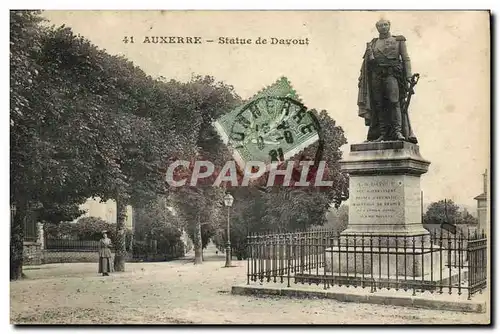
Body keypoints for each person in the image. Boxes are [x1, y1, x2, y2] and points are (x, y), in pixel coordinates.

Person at [357, 19, 418, 143]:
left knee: (394, 102)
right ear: (377, 28)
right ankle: (383, 134)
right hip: (376, 76)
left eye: (385, 25)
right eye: (380, 25)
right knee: (379, 105)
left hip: (392, 75)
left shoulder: (398, 40)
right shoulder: (372, 44)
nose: (383, 27)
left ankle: (397, 132)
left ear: (389, 26)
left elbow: (406, 59)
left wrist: (408, 76)